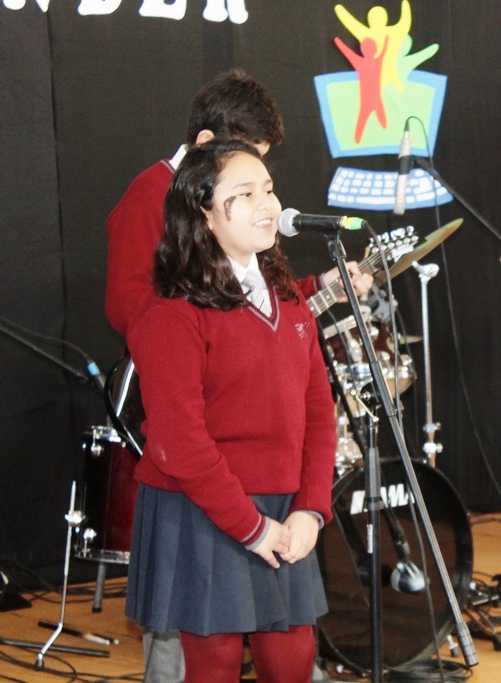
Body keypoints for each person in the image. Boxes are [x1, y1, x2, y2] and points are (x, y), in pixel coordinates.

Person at [105, 69, 370, 682]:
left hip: (278, 497)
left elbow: (315, 407)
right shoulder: (163, 260)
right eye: (245, 190)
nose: (268, 204)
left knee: (290, 655)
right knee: (206, 658)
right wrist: (250, 526)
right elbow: (144, 326)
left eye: (268, 185)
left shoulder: (282, 295)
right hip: (205, 491)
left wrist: (310, 509)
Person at [106, 68, 371, 340]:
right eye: (244, 155)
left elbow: (254, 292)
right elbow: (126, 305)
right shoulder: (148, 196)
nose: (255, 169)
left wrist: (319, 286)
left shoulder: (248, 198)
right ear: (205, 142)